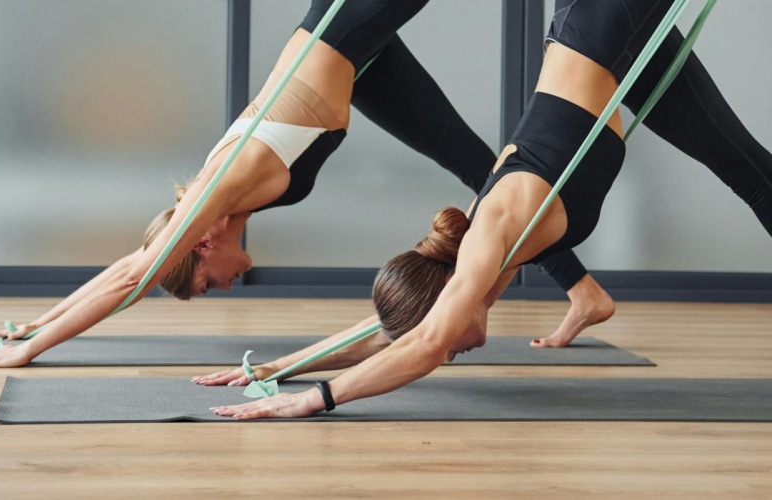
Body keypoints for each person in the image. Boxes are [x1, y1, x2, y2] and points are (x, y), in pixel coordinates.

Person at [0, 0, 617, 368]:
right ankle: (583, 291)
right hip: (359, 65)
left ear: (198, 246)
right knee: (479, 168)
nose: (222, 285)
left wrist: (28, 350)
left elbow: (132, 276)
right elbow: (131, 264)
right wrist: (25, 326)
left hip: (350, 28)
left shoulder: (222, 184)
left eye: (204, 283)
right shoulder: (228, 195)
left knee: (480, 167)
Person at [209, 0, 772, 419]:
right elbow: (391, 332)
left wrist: (311, 401)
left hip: (603, 18)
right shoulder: (484, 264)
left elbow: (426, 342)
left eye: (447, 336)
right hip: (613, 46)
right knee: (755, 175)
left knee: (756, 179)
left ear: (446, 302)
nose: (451, 353)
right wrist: (275, 369)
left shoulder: (486, 243)